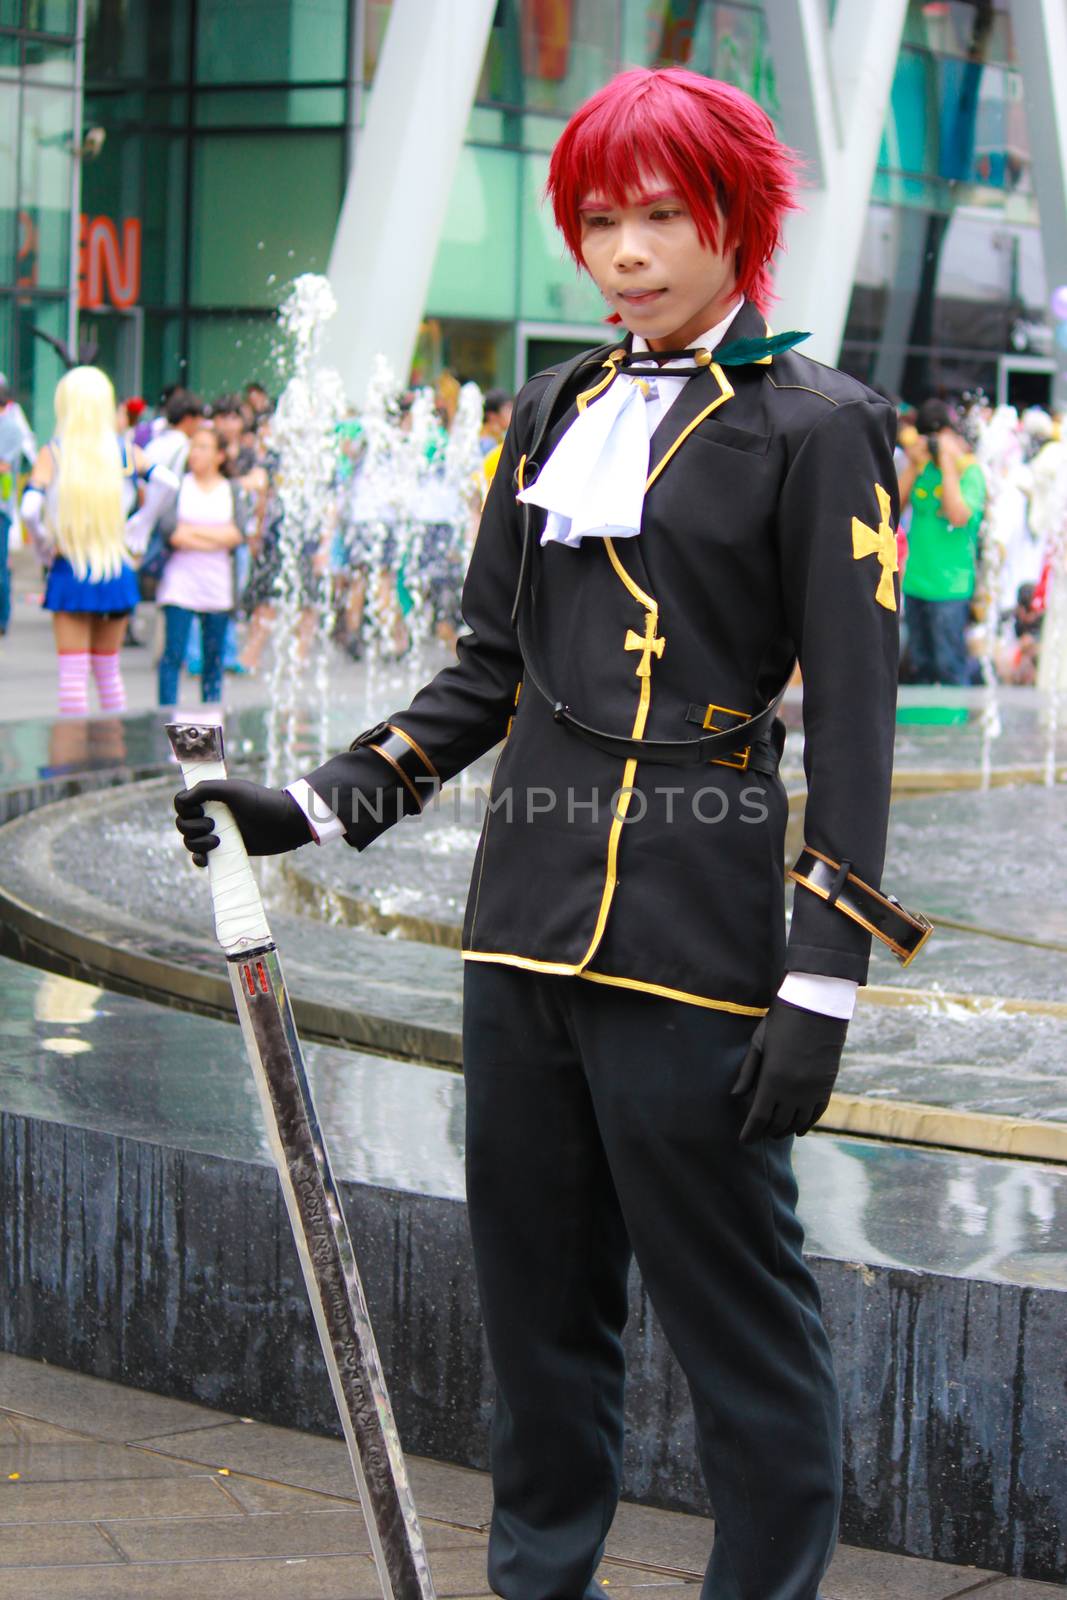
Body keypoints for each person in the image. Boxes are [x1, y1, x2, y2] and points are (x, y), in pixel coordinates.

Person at [175, 67, 916, 1600]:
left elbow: (852, 721)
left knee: (742, 1341)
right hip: (519, 930)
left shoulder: (819, 424)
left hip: (694, 942)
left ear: (737, 222)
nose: (627, 252)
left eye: (661, 215)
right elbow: (482, 673)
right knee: (535, 1322)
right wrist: (313, 802)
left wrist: (819, 979)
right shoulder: (551, 408)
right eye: (598, 220)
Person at [19, 366, 176, 715]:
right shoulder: (124, 451)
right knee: (108, 673)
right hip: (115, 566)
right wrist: (141, 523)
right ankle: (113, 756)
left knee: (73, 677)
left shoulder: (55, 452)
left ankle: (72, 763)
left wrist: (44, 544)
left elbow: (30, 507)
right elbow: (168, 482)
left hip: (70, 567)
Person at [897, 397, 986, 685]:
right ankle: (924, 729)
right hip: (916, 583)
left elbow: (958, 515)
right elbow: (889, 509)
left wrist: (948, 461)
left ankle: (955, 728)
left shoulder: (970, 472)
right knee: (919, 668)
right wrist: (912, 464)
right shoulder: (922, 469)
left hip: (950, 588)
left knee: (949, 668)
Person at [156, 422, 244, 708]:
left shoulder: (230, 490)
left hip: (216, 586)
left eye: (204, 447)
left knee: (213, 661)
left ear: (220, 455)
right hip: (180, 583)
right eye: (193, 447)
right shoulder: (179, 486)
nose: (196, 453)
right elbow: (171, 532)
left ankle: (209, 722)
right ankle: (165, 719)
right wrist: (215, 537)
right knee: (173, 655)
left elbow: (235, 534)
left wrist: (193, 533)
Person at [0, 380, 38, 636]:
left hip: (1, 507)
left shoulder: (11, 428)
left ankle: (2, 618)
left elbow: (4, 465)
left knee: (0, 567)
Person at [479, 388, 513, 457]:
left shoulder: (500, 437)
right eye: (508, 409)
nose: (512, 412)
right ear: (492, 416)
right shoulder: (486, 444)